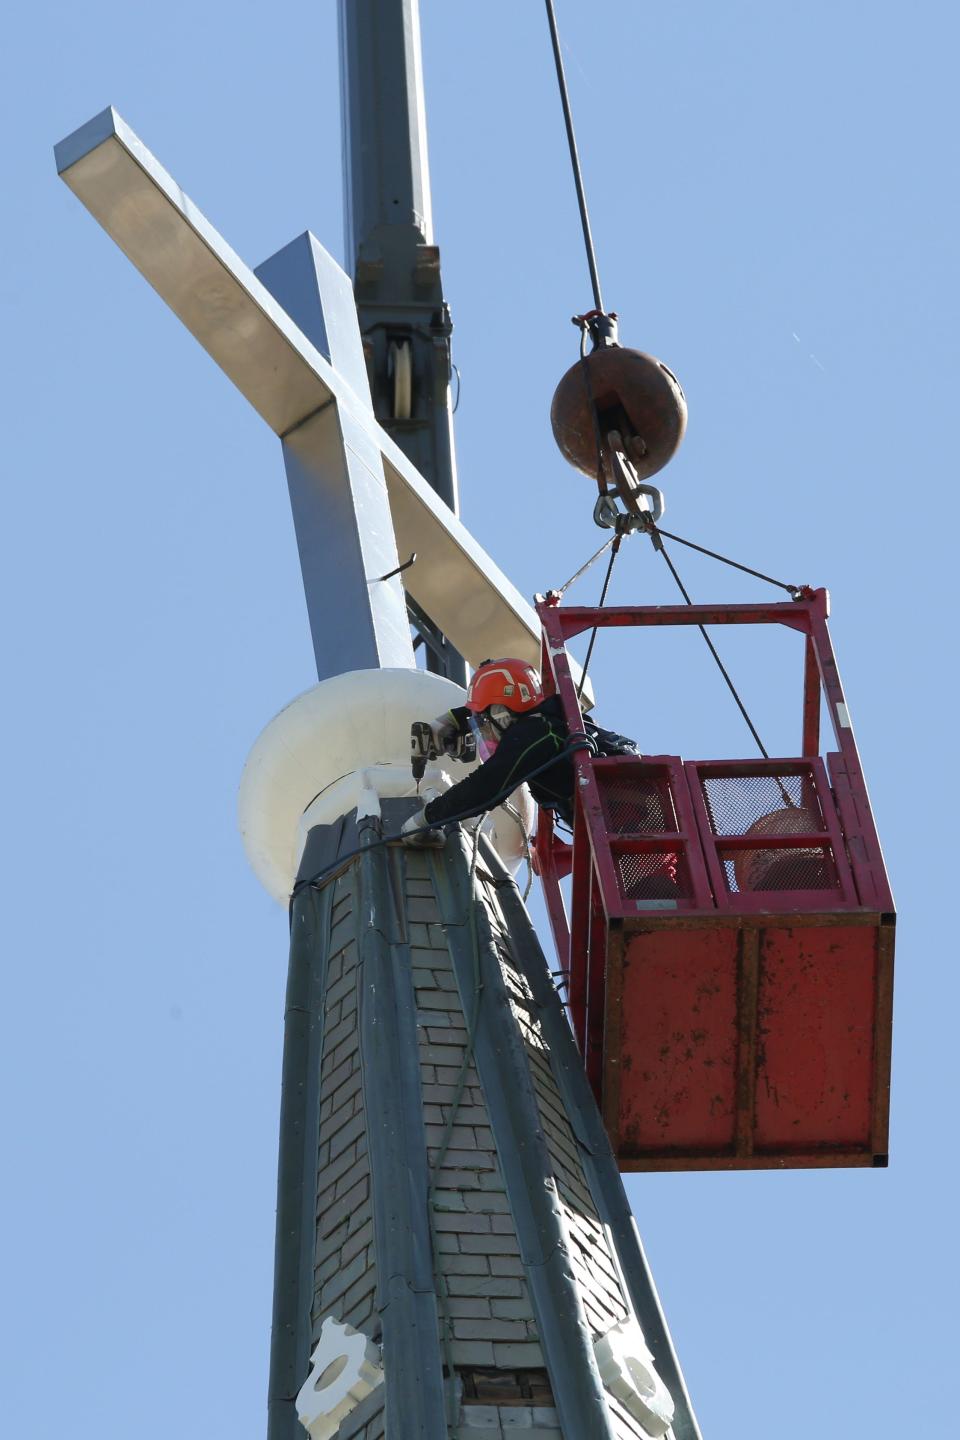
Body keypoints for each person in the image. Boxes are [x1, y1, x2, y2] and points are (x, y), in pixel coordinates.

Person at [400, 658, 637, 844]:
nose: (483, 730)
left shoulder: (534, 733)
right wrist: (454, 720)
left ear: (502, 713)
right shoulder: (550, 725)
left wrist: (425, 819)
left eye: (483, 722)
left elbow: (485, 787)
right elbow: (501, 708)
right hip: (628, 817)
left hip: (627, 821)